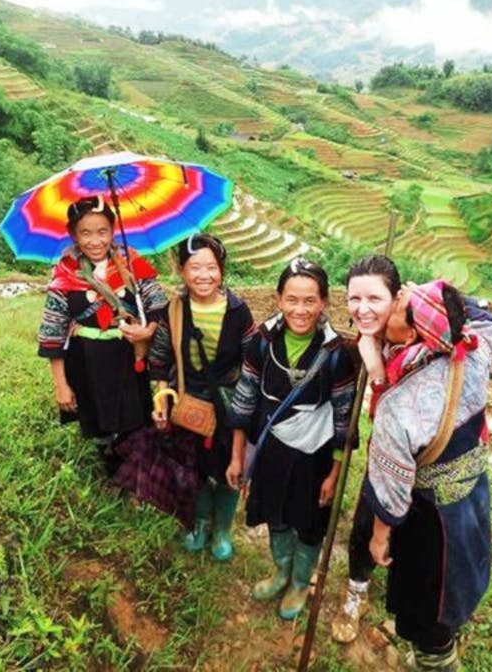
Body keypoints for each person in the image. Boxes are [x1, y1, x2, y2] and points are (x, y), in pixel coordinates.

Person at [364, 280, 492, 671]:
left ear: (411, 333)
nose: (388, 304)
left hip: (431, 521)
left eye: (398, 304)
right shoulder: (475, 353)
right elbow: (486, 315)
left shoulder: (401, 403)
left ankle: (436, 660)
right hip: (471, 501)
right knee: (462, 576)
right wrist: (435, 299)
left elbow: (390, 490)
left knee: (430, 600)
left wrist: (379, 538)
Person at [226, 258, 356, 620]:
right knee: (276, 514)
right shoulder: (262, 343)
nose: (301, 310)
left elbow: (344, 418)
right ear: (279, 299)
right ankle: (281, 571)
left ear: (324, 303)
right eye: (292, 299)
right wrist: (239, 458)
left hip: (314, 457)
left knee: (310, 521)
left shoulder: (336, 355)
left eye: (310, 301)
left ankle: (300, 581)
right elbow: (244, 402)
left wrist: (333, 473)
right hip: (270, 450)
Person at [147, 233, 256, 560]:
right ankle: (199, 524)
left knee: (227, 470)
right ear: (181, 270)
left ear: (222, 270)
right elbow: (159, 357)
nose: (203, 275)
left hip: (228, 404)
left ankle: (222, 529)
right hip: (187, 401)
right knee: (191, 470)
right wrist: (161, 400)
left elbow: (252, 361)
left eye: (211, 267)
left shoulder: (238, 311)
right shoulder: (175, 310)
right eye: (195, 267)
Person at [37, 195, 166, 473]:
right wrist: (61, 385)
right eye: (85, 233)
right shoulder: (64, 272)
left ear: (113, 229)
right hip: (87, 362)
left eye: (102, 232)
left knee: (135, 423)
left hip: (130, 359)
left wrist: (147, 332)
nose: (95, 241)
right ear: (73, 235)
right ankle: (111, 476)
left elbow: (158, 304)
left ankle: (136, 483)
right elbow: (53, 333)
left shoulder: (131, 263)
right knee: (100, 425)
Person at [331, 254, 402, 644]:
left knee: (401, 532)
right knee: (364, 524)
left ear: (397, 297)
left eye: (374, 298)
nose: (362, 309)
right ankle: (357, 593)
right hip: (382, 459)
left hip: (420, 465)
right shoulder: (369, 338)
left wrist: (376, 372)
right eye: (354, 299)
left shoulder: (412, 341)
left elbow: (398, 415)